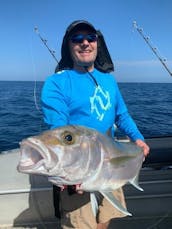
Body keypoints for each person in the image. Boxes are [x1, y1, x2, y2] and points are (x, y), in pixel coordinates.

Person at [41, 20, 150, 229]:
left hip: (111, 160)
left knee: (105, 217)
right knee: (80, 224)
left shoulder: (109, 80)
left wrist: (139, 139)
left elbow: (122, 115)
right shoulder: (56, 83)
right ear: (69, 45)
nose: (85, 43)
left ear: (97, 43)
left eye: (90, 38)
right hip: (79, 168)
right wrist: (71, 172)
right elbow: (59, 131)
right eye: (77, 39)